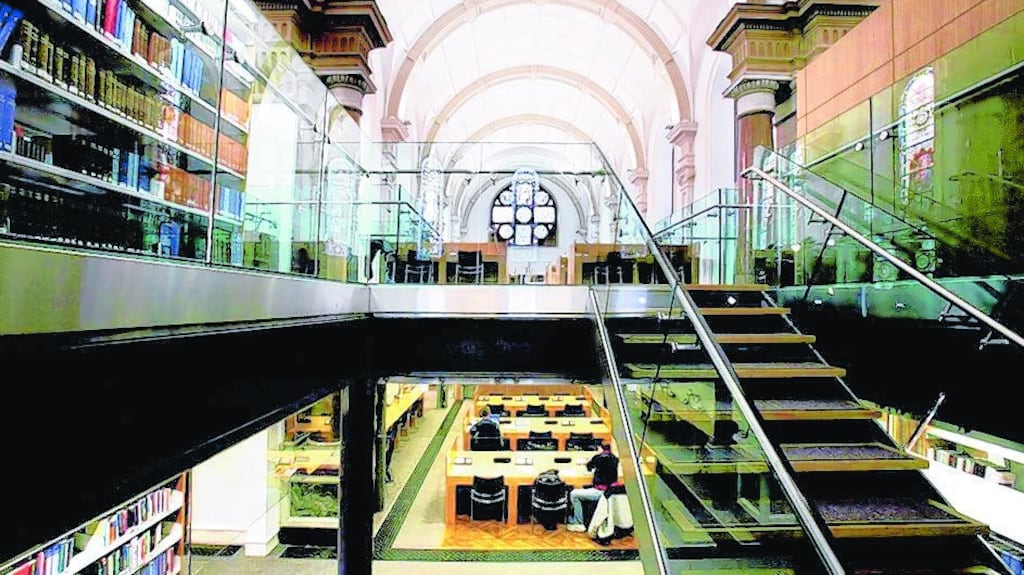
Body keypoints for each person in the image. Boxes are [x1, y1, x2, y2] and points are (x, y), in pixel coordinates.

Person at [567, 443, 619, 532]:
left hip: (600, 492)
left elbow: (589, 466)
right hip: (611, 492)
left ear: (600, 449)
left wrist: (595, 455)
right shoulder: (615, 459)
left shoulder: (598, 458)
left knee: (574, 494)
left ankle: (578, 523)